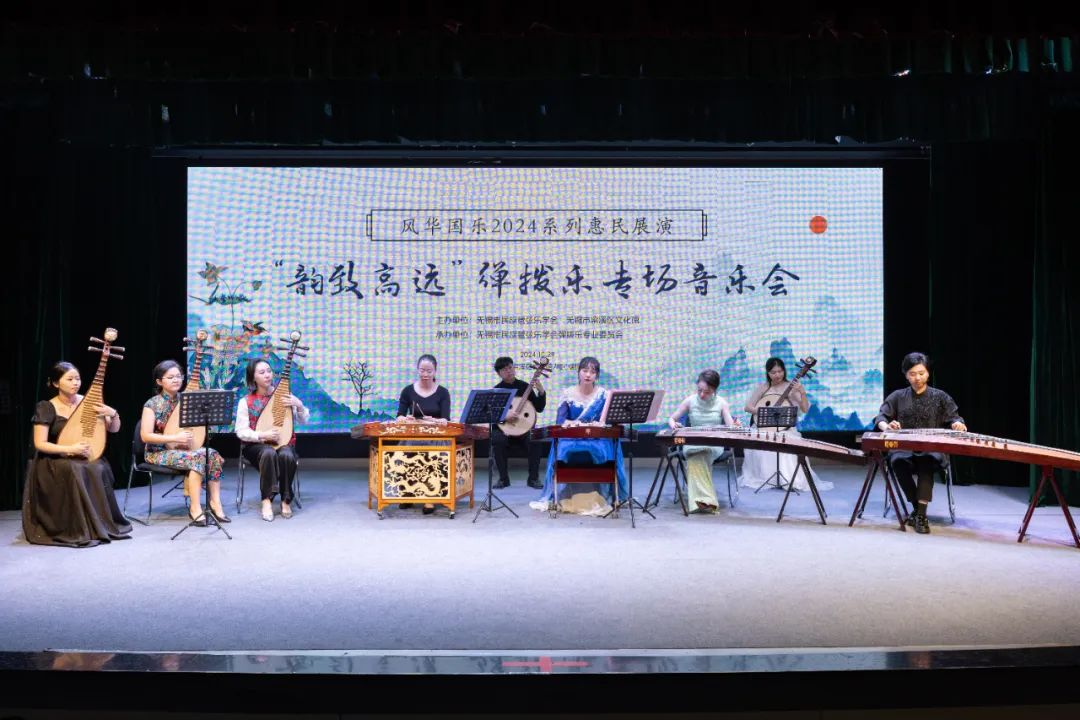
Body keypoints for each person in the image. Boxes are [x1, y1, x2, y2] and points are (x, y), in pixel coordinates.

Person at [21, 361, 132, 547]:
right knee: (74, 469)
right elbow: (40, 443)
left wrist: (113, 414)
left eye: (78, 379)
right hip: (54, 458)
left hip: (82, 455)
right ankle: (77, 528)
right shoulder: (47, 407)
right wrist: (69, 449)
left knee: (98, 466)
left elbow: (113, 429)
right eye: (70, 379)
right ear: (56, 383)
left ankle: (98, 526)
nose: (75, 383)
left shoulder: (89, 402)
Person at [874, 351, 967, 534]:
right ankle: (918, 510)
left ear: (928, 373)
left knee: (927, 460)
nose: (917, 378)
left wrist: (958, 424)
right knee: (897, 461)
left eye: (921, 373)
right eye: (912, 374)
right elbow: (881, 417)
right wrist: (887, 427)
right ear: (906, 375)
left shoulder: (940, 397)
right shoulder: (898, 396)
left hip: (931, 448)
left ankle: (921, 515)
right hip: (905, 448)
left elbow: (955, 418)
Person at [140, 360, 227, 525]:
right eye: (170, 377)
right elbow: (145, 436)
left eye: (179, 376)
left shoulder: (188, 399)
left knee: (212, 454)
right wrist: (174, 438)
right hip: (158, 452)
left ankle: (215, 503)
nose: (176, 380)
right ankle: (195, 507)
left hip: (184, 450)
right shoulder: (152, 404)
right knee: (198, 458)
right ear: (159, 381)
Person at [535, 356, 629, 510]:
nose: (588, 375)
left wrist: (599, 425)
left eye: (592, 372)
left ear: (597, 376)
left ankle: (607, 493)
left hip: (597, 438)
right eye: (585, 370)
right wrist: (575, 424)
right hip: (572, 437)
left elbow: (608, 422)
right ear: (578, 372)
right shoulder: (567, 393)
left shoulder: (603, 395)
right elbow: (560, 421)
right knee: (562, 449)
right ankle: (558, 494)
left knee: (604, 449)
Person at [739, 357, 830, 493]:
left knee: (787, 448)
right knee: (762, 444)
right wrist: (765, 411)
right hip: (764, 427)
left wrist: (802, 392)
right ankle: (767, 478)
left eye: (780, 371)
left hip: (785, 429)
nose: (777, 375)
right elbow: (748, 407)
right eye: (773, 372)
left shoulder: (791, 387)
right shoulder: (763, 387)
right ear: (768, 373)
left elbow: (805, 409)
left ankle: (790, 480)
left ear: (784, 371)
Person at [235, 358, 309, 522]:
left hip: (283, 443)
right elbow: (241, 431)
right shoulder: (245, 402)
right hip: (256, 446)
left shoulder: (284, 396)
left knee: (287, 455)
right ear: (253, 377)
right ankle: (266, 500)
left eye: (269, 371)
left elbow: (304, 420)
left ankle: (285, 500)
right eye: (262, 372)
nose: (267, 375)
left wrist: (299, 405)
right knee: (269, 453)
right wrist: (262, 435)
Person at [667, 369, 739, 513]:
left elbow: (730, 426)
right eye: (699, 390)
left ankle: (702, 501)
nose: (702, 394)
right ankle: (707, 501)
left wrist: (735, 425)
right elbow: (671, 418)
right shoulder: (690, 400)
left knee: (699, 456)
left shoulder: (722, 403)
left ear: (715, 389)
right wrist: (674, 424)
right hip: (692, 443)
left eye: (707, 392)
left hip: (713, 445)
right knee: (696, 455)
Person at [395, 354, 451, 514]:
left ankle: (430, 496)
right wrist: (404, 418)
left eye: (429, 371)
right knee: (404, 452)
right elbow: (399, 415)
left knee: (432, 454)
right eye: (422, 370)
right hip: (414, 435)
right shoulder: (407, 391)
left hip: (436, 437)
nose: (425, 374)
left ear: (435, 371)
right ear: (417, 370)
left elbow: (445, 419)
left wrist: (433, 420)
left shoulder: (443, 392)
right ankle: (408, 493)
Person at [490, 356, 547, 489]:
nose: (509, 371)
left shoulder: (525, 386)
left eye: (510, 367)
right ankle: (503, 479)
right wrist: (505, 417)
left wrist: (541, 392)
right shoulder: (497, 390)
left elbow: (539, 408)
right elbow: (493, 416)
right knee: (497, 439)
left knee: (535, 440)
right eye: (504, 369)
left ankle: (533, 479)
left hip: (524, 428)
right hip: (504, 429)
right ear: (499, 373)